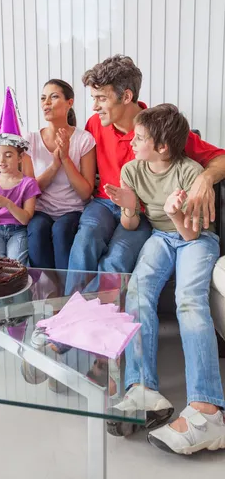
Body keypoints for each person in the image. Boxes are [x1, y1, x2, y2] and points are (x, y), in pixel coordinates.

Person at [105, 104, 225, 455]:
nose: (131, 141)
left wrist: (174, 212)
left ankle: (209, 410)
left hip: (196, 237)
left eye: (139, 138)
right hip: (161, 236)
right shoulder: (131, 169)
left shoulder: (189, 172)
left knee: (188, 301)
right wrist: (128, 206)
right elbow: (130, 224)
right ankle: (142, 388)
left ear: (162, 147)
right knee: (138, 293)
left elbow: (190, 235)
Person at [65, 55, 225, 295]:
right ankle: (70, 314)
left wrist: (205, 178)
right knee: (84, 241)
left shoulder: (160, 129)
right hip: (104, 203)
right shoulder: (95, 124)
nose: (94, 106)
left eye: (101, 98)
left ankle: (95, 317)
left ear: (126, 96)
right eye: (93, 98)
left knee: (117, 257)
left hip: (141, 212)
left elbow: (220, 158)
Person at [22, 79, 96, 272]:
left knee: (61, 230)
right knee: (37, 230)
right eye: (43, 98)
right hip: (41, 209)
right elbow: (30, 192)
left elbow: (85, 193)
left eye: (54, 97)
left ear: (69, 103)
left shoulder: (84, 139)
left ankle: (67, 293)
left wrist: (65, 158)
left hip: (73, 210)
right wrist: (55, 165)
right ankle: (44, 293)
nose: (46, 103)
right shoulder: (30, 140)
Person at [0, 133, 41, 265]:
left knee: (16, 264)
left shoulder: (28, 184)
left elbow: (25, 219)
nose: (1, 160)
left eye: (8, 155)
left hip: (18, 231)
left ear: (20, 157)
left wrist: (7, 203)